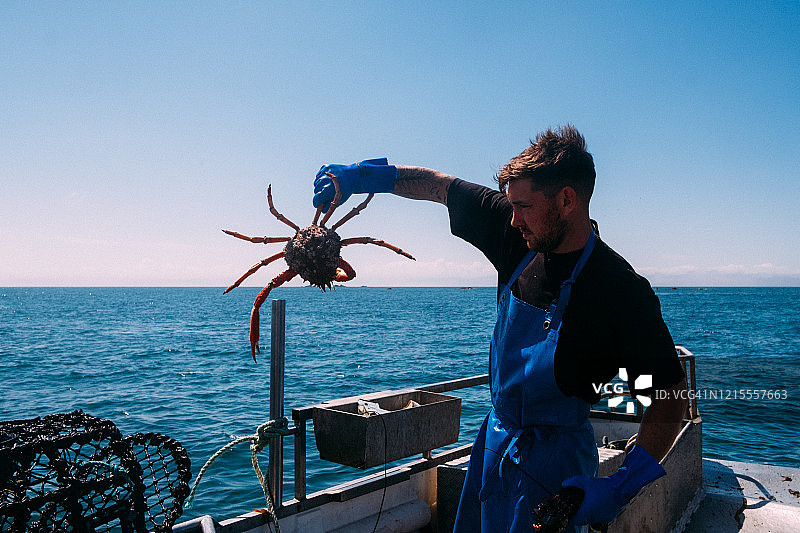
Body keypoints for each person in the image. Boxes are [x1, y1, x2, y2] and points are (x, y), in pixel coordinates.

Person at [312, 125, 689, 532]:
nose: (513, 219)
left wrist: (622, 486)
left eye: (523, 207)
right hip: (494, 446)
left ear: (567, 200)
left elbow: (671, 395)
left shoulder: (621, 291)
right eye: (511, 205)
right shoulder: (515, 237)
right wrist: (362, 177)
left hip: (558, 473)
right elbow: (440, 186)